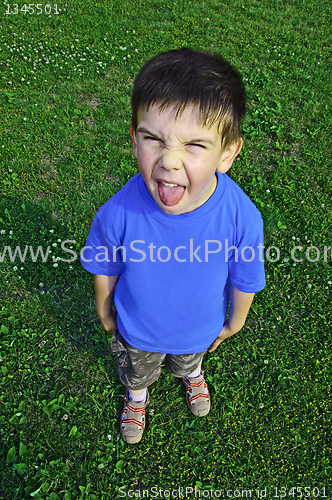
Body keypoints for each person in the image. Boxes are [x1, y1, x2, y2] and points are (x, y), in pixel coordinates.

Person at [80, 48, 266, 444]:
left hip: (200, 328)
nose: (169, 160)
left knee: (189, 359)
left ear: (228, 152)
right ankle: (136, 396)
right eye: (154, 138)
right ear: (134, 139)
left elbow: (245, 278)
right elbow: (105, 266)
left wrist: (235, 322)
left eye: (195, 145)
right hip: (138, 330)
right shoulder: (118, 212)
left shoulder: (241, 217)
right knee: (138, 369)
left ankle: (192, 375)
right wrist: (104, 309)